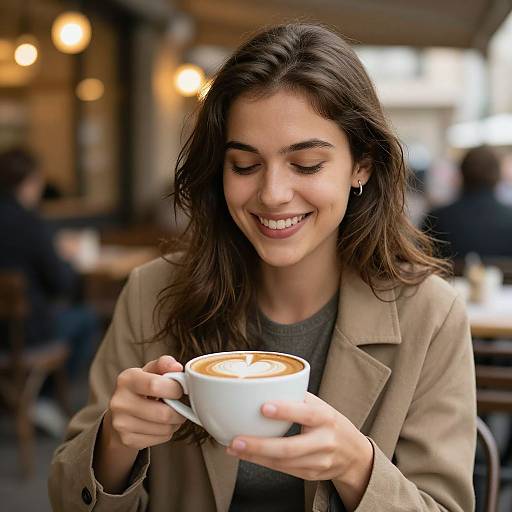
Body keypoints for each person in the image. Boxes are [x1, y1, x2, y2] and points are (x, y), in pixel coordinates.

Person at [49, 24, 476, 512]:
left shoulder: (432, 315)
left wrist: (357, 466)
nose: (272, 194)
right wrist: (114, 443)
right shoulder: (152, 292)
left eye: (307, 164)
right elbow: (66, 497)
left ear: (362, 165)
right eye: (245, 166)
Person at [0, 148, 98, 430]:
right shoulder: (29, 224)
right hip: (25, 335)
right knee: (86, 318)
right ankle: (41, 398)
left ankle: (17, 397)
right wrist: (65, 258)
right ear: (30, 182)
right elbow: (61, 284)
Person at [423, 145, 512, 259]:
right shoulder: (509, 218)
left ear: (462, 174)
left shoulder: (435, 219)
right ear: (498, 176)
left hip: (448, 277)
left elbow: (422, 262)